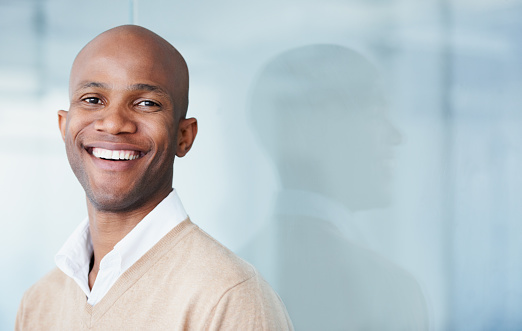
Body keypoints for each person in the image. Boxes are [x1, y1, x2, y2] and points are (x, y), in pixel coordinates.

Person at [15, 25, 293, 331]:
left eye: (146, 103)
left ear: (183, 136)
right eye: (93, 99)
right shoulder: (39, 303)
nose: (113, 123)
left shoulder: (229, 297)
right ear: (63, 127)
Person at [240, 45, 429, 330]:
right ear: (317, 127)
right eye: (376, 111)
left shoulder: (226, 274)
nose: (396, 136)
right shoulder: (387, 291)